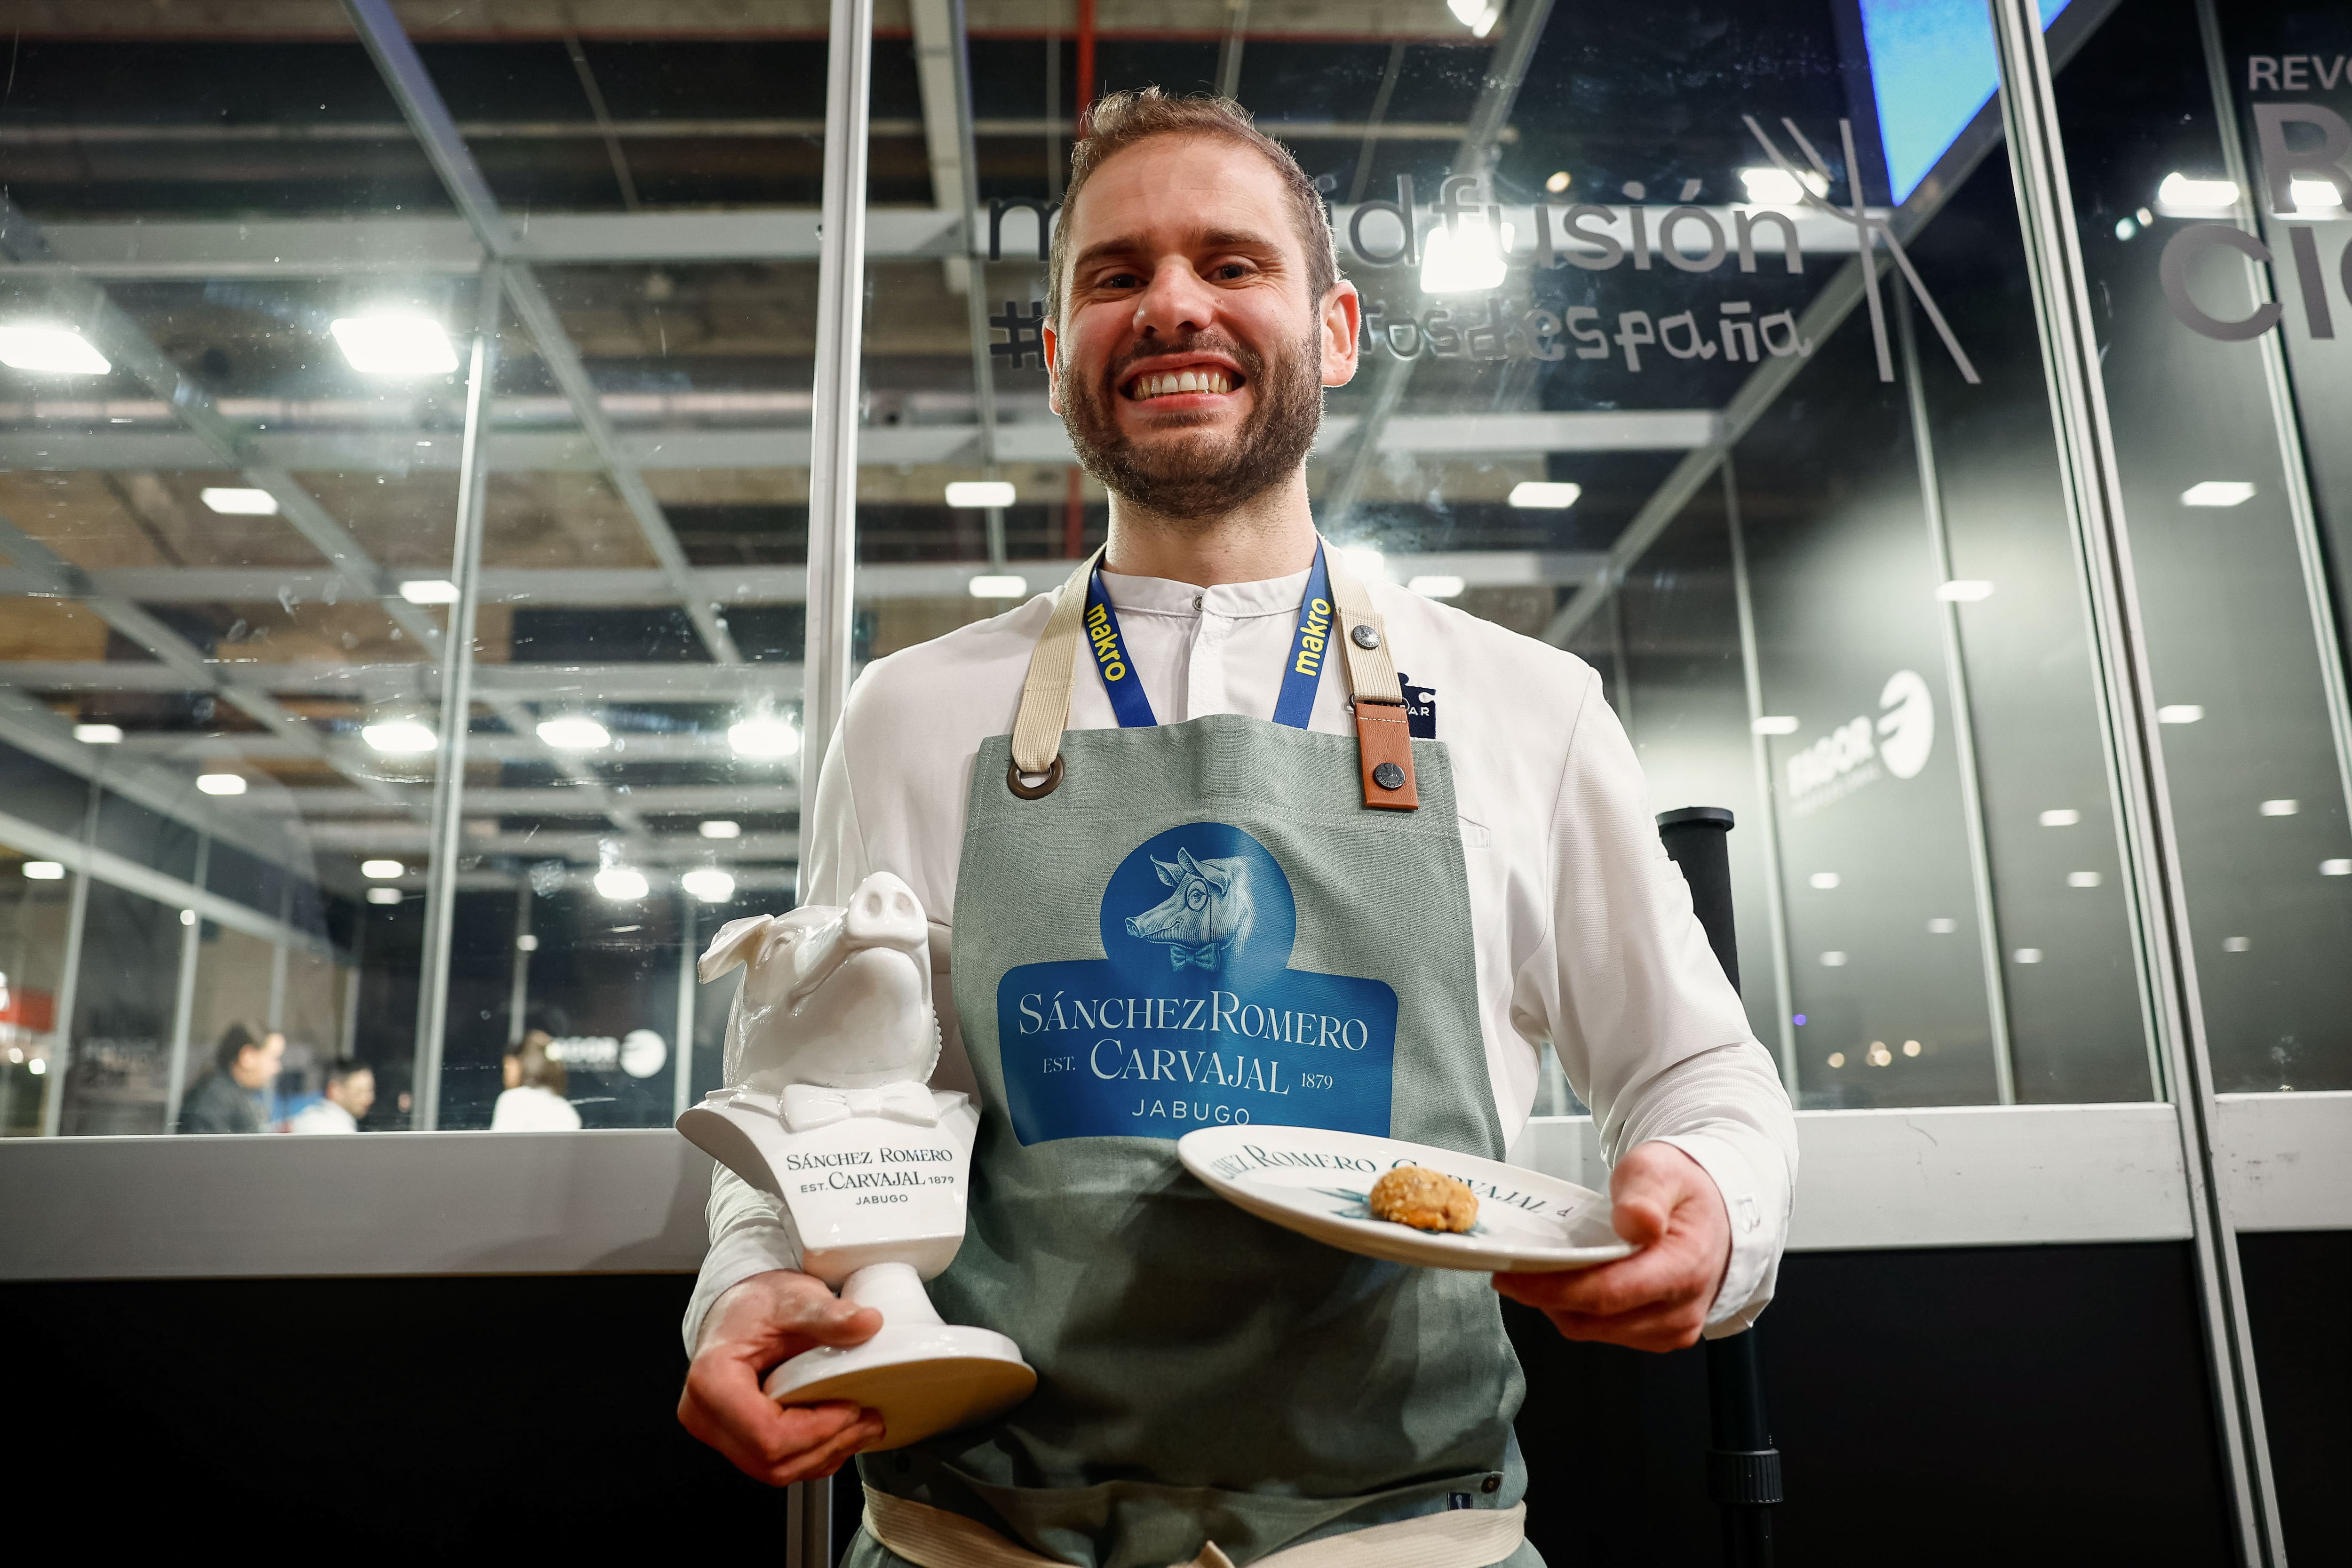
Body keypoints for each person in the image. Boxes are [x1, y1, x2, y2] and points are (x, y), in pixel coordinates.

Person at [677, 89, 1798, 1568]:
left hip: (1405, 1541)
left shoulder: (1527, 704)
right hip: (979, 1540)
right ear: (1058, 351)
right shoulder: (908, 712)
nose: (1171, 306)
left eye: (1230, 262)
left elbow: (1695, 1072)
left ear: (1333, 331)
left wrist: (1707, 1206)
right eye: (1114, 275)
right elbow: (817, 1107)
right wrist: (743, 1287)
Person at [176, 1024, 280, 1135]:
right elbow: (209, 1149)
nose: (277, 1068)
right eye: (273, 1058)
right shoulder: (216, 1098)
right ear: (248, 1057)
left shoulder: (235, 1093)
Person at [491, 1030, 581, 1130]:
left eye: (508, 1066)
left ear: (524, 1064)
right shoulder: (567, 1111)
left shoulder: (513, 1101)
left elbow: (499, 1144)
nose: (506, 1072)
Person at [286, 1057, 374, 1133]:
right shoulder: (337, 1132)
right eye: (359, 1092)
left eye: (370, 1091)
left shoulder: (307, 1119)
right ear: (335, 1090)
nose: (370, 1099)